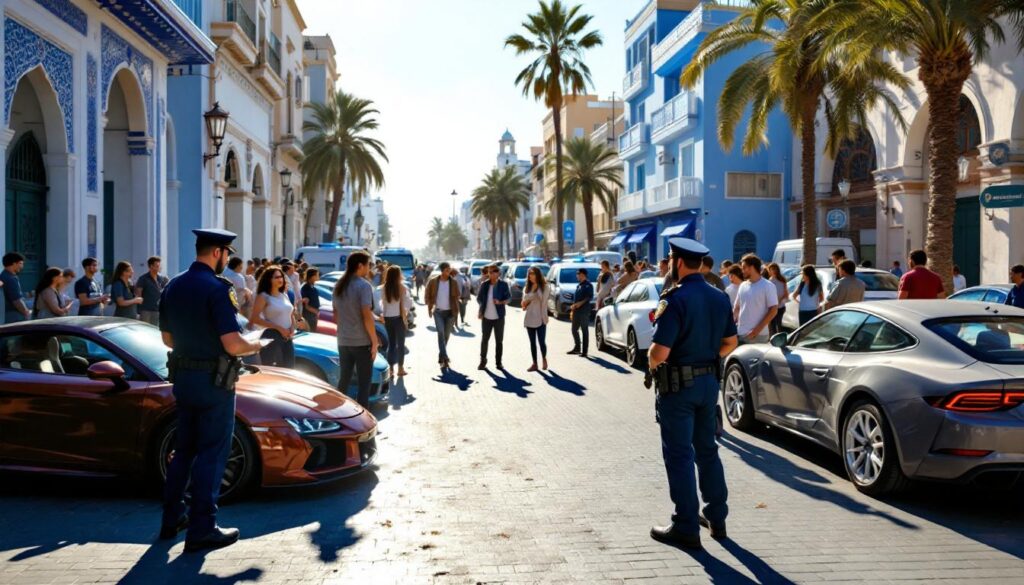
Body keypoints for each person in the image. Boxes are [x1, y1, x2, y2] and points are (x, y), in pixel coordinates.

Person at [159, 228, 262, 552]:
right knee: (212, 455)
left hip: (184, 382)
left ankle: (172, 519)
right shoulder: (218, 289)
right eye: (227, 254)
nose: (227, 259)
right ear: (217, 252)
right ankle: (203, 528)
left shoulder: (173, 285)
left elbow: (167, 340)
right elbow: (232, 343)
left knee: (183, 453)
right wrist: (253, 344)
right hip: (215, 384)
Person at [647, 237, 737, 550]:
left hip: (678, 388)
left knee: (680, 455)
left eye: (670, 258)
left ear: (679, 262)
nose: (669, 262)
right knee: (707, 451)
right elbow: (730, 344)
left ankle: (685, 524)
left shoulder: (674, 298)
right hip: (708, 383)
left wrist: (650, 362)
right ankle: (717, 518)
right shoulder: (719, 296)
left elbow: (659, 352)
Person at [333, 252, 379, 407]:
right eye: (368, 264)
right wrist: (374, 341)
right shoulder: (364, 285)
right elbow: (366, 314)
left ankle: (339, 416)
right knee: (364, 384)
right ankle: (363, 422)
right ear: (360, 266)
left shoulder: (339, 284)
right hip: (361, 342)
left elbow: (336, 314)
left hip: (343, 340)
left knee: (344, 380)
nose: (369, 268)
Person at [250, 266, 298, 368]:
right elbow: (255, 319)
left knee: (289, 369)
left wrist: (292, 328)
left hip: (288, 338)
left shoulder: (283, 294)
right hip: (272, 337)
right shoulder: (263, 296)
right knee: (274, 371)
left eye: (281, 277)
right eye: (276, 277)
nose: (280, 279)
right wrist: (279, 328)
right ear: (269, 280)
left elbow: (291, 313)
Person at [733, 254, 777, 344]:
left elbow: (773, 310)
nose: (742, 271)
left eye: (744, 267)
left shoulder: (768, 286)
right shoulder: (742, 285)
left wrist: (756, 331)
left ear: (752, 267)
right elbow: (737, 307)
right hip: (740, 333)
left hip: (758, 336)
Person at [425, 262, 460, 369]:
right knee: (440, 333)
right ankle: (445, 357)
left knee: (446, 335)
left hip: (450, 313)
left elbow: (458, 294)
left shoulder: (453, 282)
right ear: (442, 270)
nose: (448, 272)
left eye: (449, 270)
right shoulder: (433, 281)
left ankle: (441, 355)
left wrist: (456, 301)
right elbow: (427, 293)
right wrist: (429, 303)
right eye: (446, 270)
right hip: (438, 312)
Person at [476, 264, 510, 369]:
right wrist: (481, 307)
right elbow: (479, 298)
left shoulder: (503, 285)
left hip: (499, 317)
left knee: (499, 341)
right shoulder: (484, 285)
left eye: (493, 271)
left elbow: (509, 298)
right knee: (484, 339)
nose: (491, 274)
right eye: (489, 272)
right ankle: (483, 361)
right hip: (486, 317)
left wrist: (500, 302)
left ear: (498, 273)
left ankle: (498, 363)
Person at [380, 265, 412, 377]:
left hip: (388, 318)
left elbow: (382, 304)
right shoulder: (402, 287)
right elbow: (408, 302)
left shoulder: (384, 287)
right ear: (398, 275)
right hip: (398, 318)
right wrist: (406, 313)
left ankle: (391, 370)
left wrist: (383, 315)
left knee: (391, 344)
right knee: (401, 344)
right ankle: (400, 369)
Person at [521, 265, 549, 372]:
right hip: (529, 318)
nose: (530, 276)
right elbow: (523, 304)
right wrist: (531, 296)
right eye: (529, 274)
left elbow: (543, 300)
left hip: (541, 318)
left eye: (532, 273)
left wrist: (536, 290)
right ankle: (534, 363)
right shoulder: (526, 288)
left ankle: (544, 358)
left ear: (537, 275)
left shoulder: (545, 287)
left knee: (542, 342)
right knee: (532, 343)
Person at [567, 268, 594, 357]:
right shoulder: (579, 285)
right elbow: (576, 298)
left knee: (584, 330)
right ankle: (577, 348)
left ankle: (584, 351)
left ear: (582, 275)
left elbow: (589, 297)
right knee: (574, 329)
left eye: (578, 274)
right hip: (576, 311)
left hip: (584, 311)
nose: (577, 276)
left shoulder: (588, 285)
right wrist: (573, 305)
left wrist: (580, 304)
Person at [137, 256, 169, 326]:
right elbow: (138, 295)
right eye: (157, 266)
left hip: (158, 311)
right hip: (146, 311)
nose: (159, 268)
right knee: (145, 331)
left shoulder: (163, 279)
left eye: (159, 266)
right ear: (151, 266)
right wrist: (139, 311)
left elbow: (167, 293)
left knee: (156, 331)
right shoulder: (143, 279)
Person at [1, 252, 30, 323]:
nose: (22, 266)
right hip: (12, 315)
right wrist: (26, 313)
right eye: (21, 263)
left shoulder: (3, 275)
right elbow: (16, 300)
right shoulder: (11, 279)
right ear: (14, 264)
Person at [766, 263, 789, 336]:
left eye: (774, 269)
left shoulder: (782, 280)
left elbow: (786, 293)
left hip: (781, 306)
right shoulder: (769, 281)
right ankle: (773, 339)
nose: (772, 271)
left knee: (779, 324)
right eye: (770, 269)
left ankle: (780, 339)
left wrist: (779, 300)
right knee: (772, 324)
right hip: (772, 306)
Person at [300, 268, 321, 333]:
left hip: (313, 315)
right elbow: (306, 305)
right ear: (312, 276)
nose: (318, 276)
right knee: (309, 333)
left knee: (313, 332)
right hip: (308, 316)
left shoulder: (313, 287)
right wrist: (316, 312)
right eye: (317, 275)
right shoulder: (305, 288)